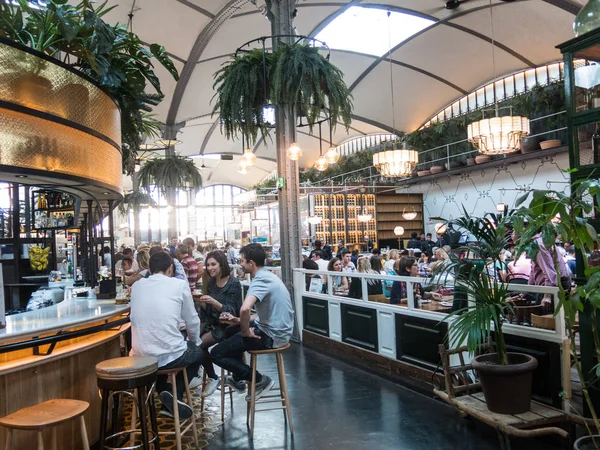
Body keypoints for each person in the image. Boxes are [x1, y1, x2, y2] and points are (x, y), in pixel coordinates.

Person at [211, 244, 294, 401]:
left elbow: (245, 309)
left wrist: (244, 331)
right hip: (279, 332)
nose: (240, 264)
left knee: (216, 353)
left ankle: (258, 379)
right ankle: (238, 379)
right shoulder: (268, 276)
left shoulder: (260, 280)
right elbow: (260, 314)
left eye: (242, 261)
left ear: (251, 263)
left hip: (272, 336)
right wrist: (238, 321)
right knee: (231, 332)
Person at [129, 251, 202, 419]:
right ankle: (174, 395)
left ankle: (165, 398)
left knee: (160, 356)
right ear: (170, 268)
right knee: (197, 353)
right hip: (168, 356)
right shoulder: (179, 285)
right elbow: (192, 320)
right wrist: (194, 341)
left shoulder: (137, 286)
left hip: (140, 357)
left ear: (149, 268)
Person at [195, 250, 243, 398]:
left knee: (199, 344)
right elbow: (210, 313)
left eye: (213, 264)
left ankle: (213, 377)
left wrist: (213, 302)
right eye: (208, 265)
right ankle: (208, 376)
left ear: (221, 264)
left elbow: (232, 311)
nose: (210, 268)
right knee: (194, 343)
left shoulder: (233, 283)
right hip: (215, 323)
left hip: (230, 326)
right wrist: (201, 303)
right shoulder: (211, 282)